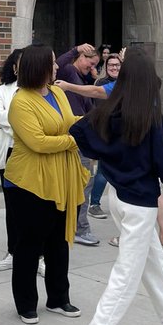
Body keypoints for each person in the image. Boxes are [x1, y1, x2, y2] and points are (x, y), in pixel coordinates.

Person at [70, 49, 163, 325]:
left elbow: (78, 133)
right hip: (140, 204)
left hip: (118, 198)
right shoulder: (150, 116)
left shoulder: (109, 109)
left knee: (154, 264)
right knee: (127, 274)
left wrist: (110, 157)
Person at [5, 44, 89, 324]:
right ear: (38, 66)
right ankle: (26, 304)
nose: (56, 67)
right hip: (30, 183)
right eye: (52, 63)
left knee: (58, 242)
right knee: (29, 245)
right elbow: (38, 142)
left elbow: (69, 123)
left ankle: (58, 298)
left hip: (61, 177)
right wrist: (76, 139)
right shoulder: (21, 101)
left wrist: (90, 124)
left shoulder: (57, 93)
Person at [56, 42, 108, 245]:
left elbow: (89, 106)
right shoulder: (69, 71)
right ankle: (80, 228)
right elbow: (60, 64)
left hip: (80, 136)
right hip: (75, 137)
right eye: (90, 62)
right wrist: (75, 50)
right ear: (81, 57)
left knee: (83, 183)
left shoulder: (79, 78)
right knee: (84, 183)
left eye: (96, 65)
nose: (92, 68)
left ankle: (76, 226)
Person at [0, 48, 23, 271]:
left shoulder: (43, 91)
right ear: (14, 67)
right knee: (12, 206)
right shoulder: (3, 90)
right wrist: (24, 127)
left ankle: (38, 255)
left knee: (34, 206)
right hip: (10, 154)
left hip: (33, 155)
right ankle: (13, 252)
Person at [87, 51, 122, 220]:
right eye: (111, 65)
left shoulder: (126, 83)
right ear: (106, 67)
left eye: (117, 65)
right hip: (106, 132)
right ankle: (94, 204)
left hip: (122, 133)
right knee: (103, 170)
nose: (114, 67)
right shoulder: (101, 83)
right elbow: (103, 109)